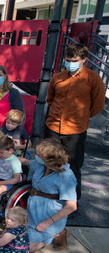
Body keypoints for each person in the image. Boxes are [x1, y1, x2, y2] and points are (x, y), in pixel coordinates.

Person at [44, 43, 105, 202]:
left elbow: (98, 105)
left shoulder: (93, 78)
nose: (70, 63)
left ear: (84, 59)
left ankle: (72, 202)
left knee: (72, 167)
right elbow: (50, 99)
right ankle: (48, 196)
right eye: (67, 59)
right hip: (53, 126)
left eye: (74, 60)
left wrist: (81, 117)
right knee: (49, 163)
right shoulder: (58, 77)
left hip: (75, 131)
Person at [26, 139, 77, 253]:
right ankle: (53, 234)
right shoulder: (42, 165)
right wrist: (9, 157)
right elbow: (26, 162)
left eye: (38, 154)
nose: (35, 155)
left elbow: (71, 206)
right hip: (32, 211)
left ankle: (56, 233)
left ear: (50, 159)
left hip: (48, 217)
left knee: (26, 248)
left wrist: (48, 222)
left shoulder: (66, 176)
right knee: (15, 239)